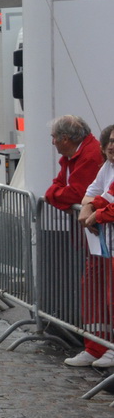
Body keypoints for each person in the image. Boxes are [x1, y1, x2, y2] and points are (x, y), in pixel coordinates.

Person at [75, 124, 114, 367]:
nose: (111, 146)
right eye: (109, 141)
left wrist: (95, 215)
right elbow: (93, 195)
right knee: (102, 298)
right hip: (106, 246)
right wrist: (91, 207)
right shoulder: (107, 167)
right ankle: (98, 346)